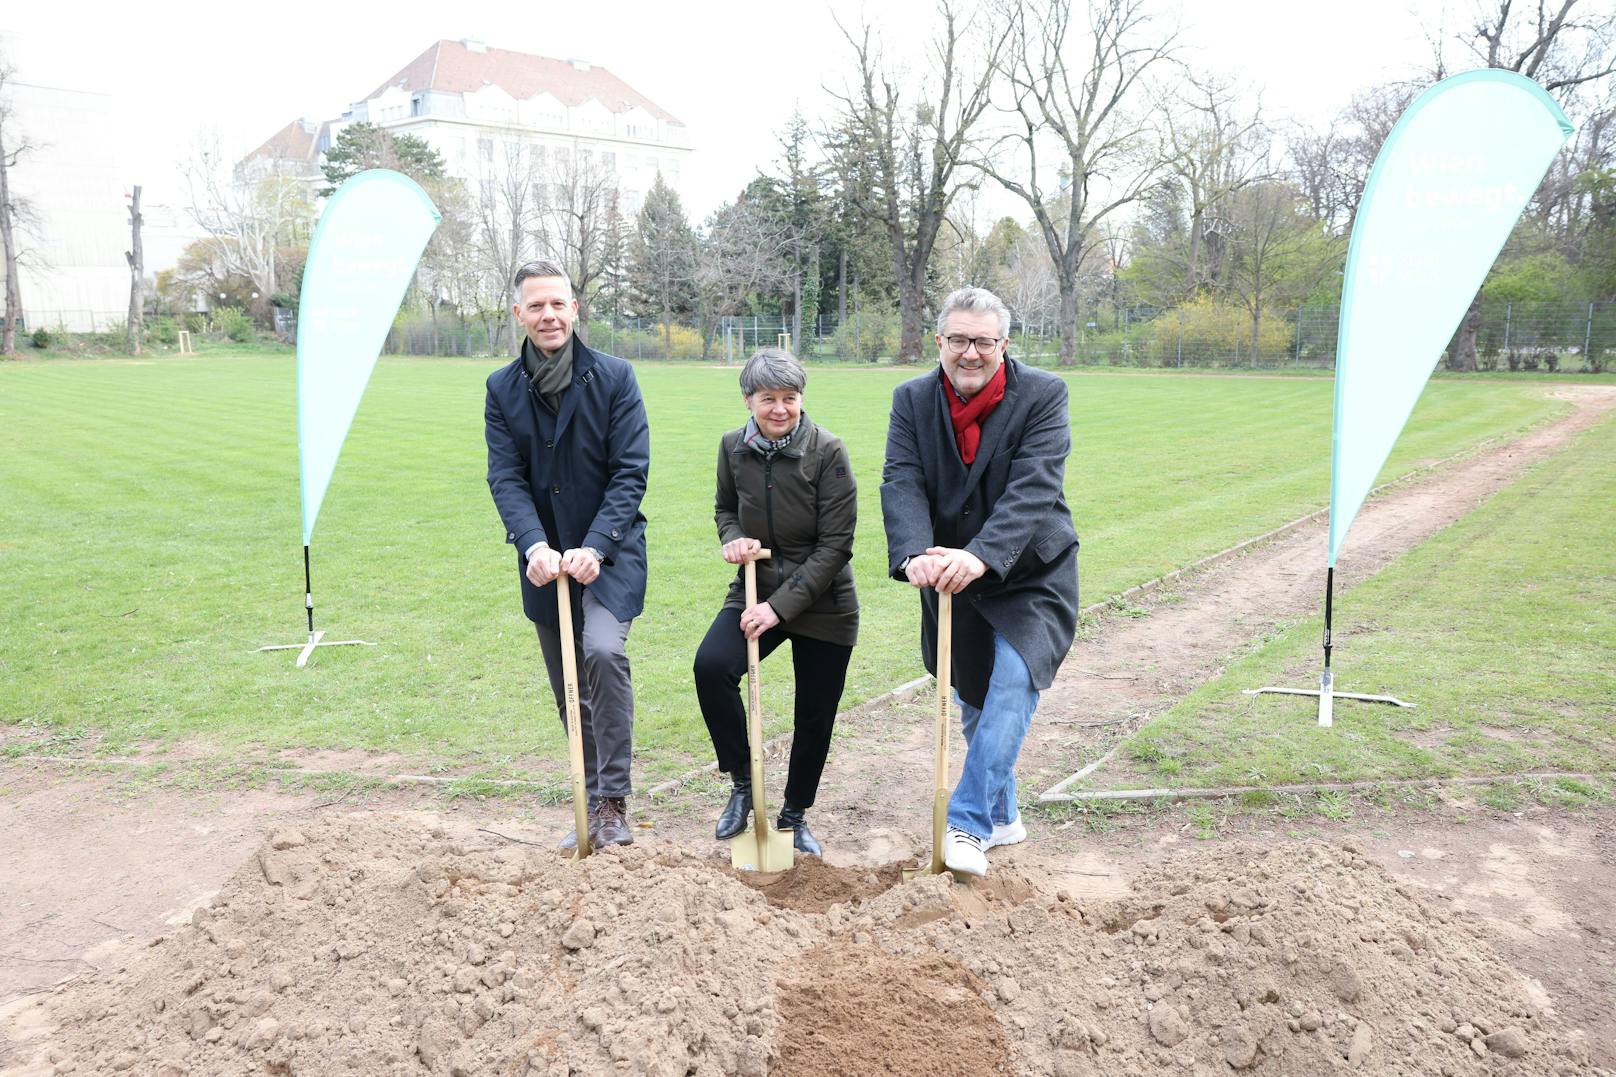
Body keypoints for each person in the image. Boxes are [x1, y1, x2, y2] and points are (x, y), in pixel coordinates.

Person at [880, 286, 1079, 877]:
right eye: (960, 340)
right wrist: (915, 552)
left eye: (984, 342)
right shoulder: (912, 400)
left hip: (1029, 572)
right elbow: (902, 479)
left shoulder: (1043, 395)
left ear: (1004, 345)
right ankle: (1007, 813)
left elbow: (1034, 488)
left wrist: (984, 555)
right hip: (948, 571)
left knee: (1014, 682)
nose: (971, 353)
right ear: (939, 341)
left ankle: (968, 824)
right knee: (974, 699)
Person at [485, 260, 650, 852]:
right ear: (518, 315)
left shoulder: (614, 378)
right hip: (544, 564)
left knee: (602, 652)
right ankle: (586, 793)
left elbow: (630, 474)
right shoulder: (501, 388)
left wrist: (596, 546)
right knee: (567, 687)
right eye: (536, 306)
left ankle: (611, 803)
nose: (549, 315)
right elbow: (504, 476)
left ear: (575, 308)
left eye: (558, 304)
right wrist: (533, 543)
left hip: (611, 554)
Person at [693, 348, 858, 857]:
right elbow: (725, 507)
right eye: (768, 399)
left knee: (815, 713)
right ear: (749, 400)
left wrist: (777, 609)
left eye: (790, 398)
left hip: (824, 601)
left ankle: (794, 816)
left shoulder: (828, 450)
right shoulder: (731, 447)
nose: (780, 409)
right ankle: (743, 784)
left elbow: (836, 546)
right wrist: (733, 537)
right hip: (755, 587)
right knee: (711, 667)